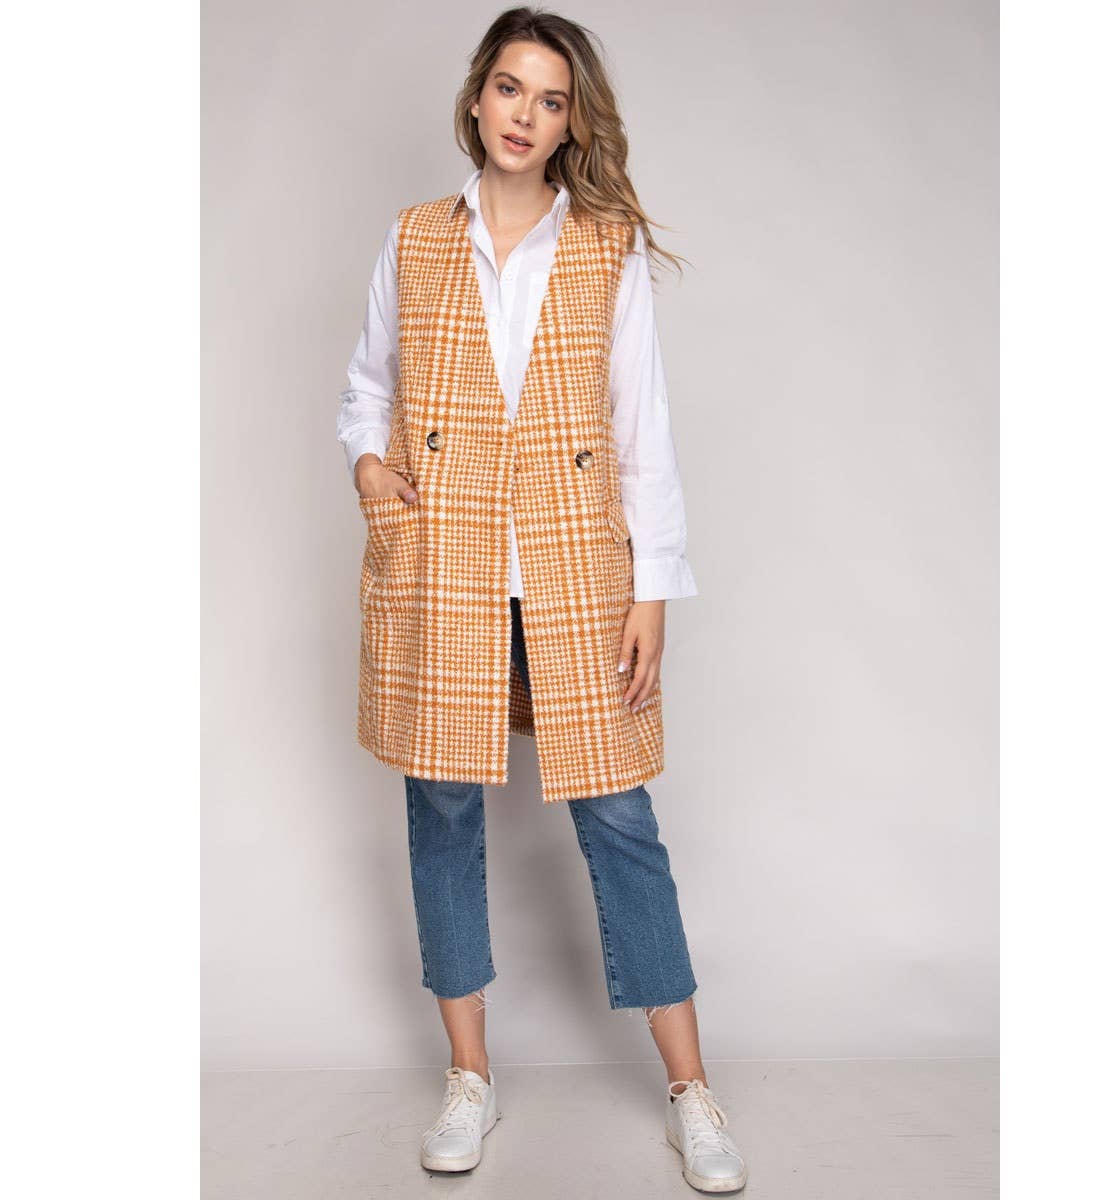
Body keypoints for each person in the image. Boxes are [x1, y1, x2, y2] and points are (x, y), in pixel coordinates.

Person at [336, 7, 747, 1193]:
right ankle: (469, 1077)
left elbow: (642, 427)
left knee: (619, 817)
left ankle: (691, 1092)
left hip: (571, 569)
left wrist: (653, 589)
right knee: (443, 812)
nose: (525, 114)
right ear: (477, 98)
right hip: (444, 563)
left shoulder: (605, 246)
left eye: (551, 99)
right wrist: (370, 466)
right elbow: (366, 387)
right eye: (510, 88)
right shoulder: (415, 238)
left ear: (572, 123)